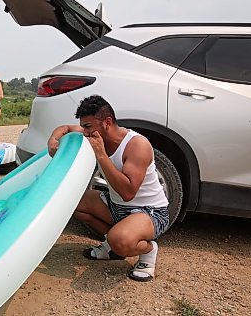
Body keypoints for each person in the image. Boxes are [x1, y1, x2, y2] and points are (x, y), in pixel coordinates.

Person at [47, 95, 169, 282]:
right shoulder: (94, 131)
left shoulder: (137, 145)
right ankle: (111, 247)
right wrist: (53, 141)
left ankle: (148, 251)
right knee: (68, 200)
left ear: (107, 122)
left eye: (88, 127)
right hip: (115, 205)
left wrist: (101, 154)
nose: (85, 132)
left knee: (121, 240)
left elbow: (128, 193)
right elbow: (65, 128)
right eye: (84, 126)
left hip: (149, 212)